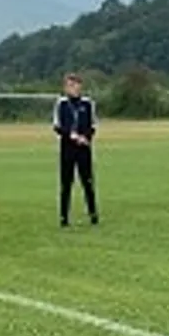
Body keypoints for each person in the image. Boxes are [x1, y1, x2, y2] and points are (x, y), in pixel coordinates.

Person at [54, 73, 98, 226]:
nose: (70, 88)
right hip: (67, 148)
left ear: (80, 86)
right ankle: (64, 217)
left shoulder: (87, 104)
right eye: (68, 85)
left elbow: (93, 125)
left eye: (73, 85)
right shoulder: (62, 104)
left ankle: (93, 214)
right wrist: (72, 136)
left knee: (88, 181)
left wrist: (86, 137)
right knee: (66, 183)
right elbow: (58, 126)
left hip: (84, 148)